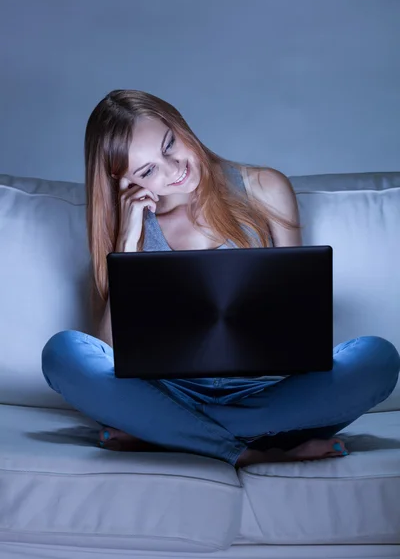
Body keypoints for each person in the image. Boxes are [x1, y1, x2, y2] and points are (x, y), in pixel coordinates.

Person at [41, 90, 400, 468]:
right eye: (148, 171)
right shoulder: (131, 225)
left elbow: (301, 317)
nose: (173, 168)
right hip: (169, 393)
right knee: (62, 353)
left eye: (169, 145)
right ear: (123, 181)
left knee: (377, 358)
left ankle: (169, 435)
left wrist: (147, 420)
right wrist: (127, 247)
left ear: (178, 125)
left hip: (270, 393)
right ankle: (246, 450)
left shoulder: (264, 188)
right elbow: (110, 358)